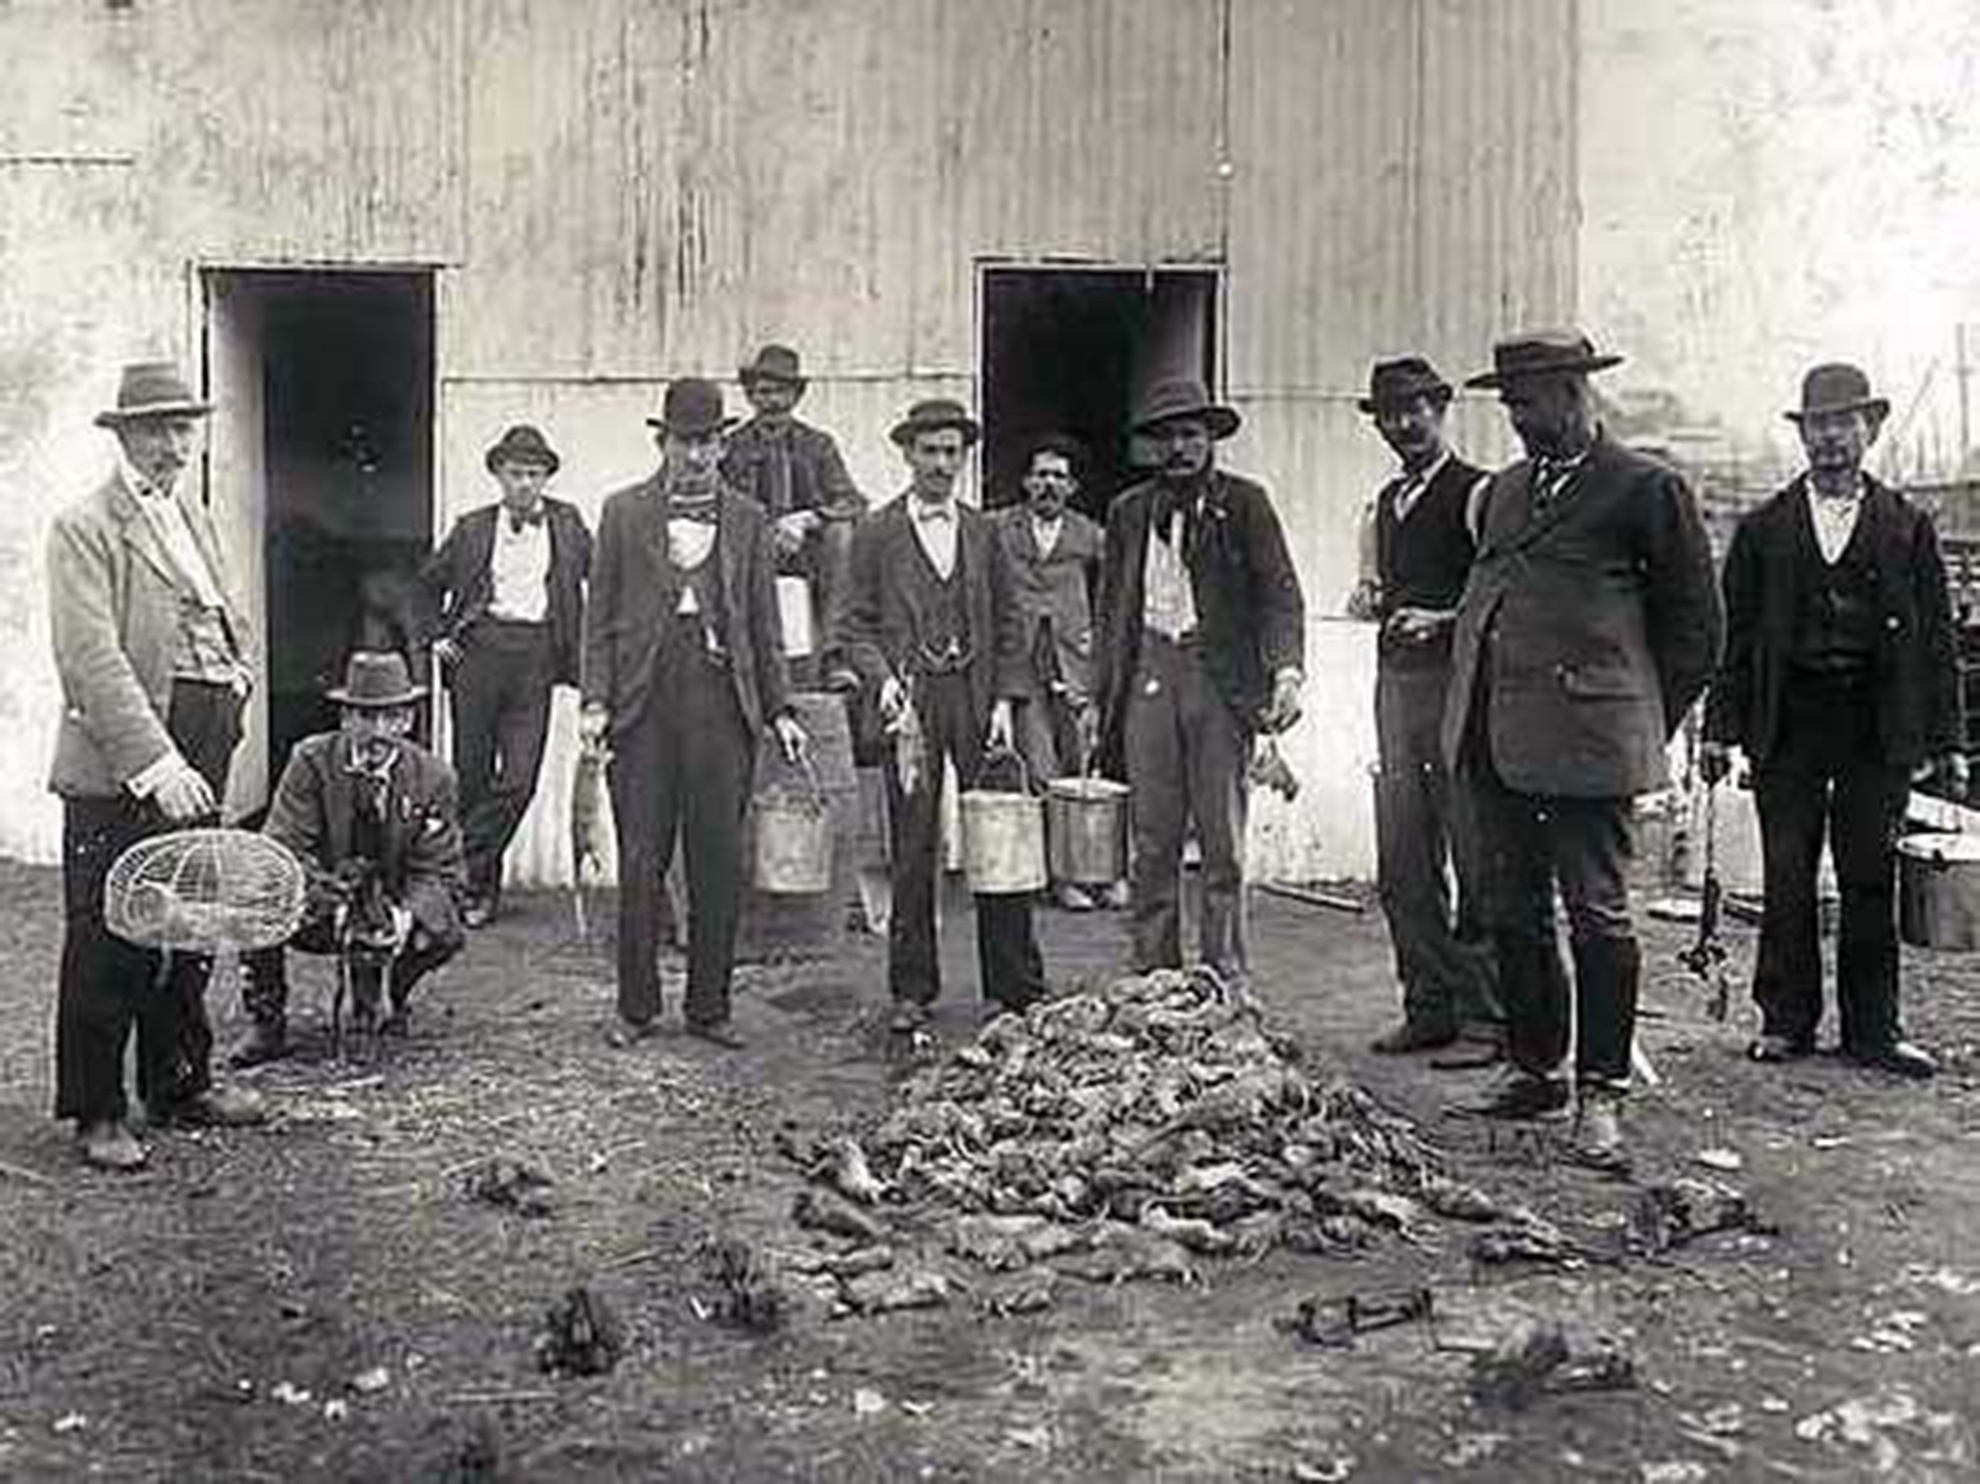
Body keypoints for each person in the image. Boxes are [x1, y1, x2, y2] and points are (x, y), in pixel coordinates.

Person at [1442, 330, 1723, 1168]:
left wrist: (1633, 724)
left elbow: (1696, 631)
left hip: (1591, 746)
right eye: (1510, 405)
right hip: (1499, 739)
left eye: (1528, 403)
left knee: (1598, 916)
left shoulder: (1647, 488)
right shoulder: (1504, 492)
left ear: (1575, 393)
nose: (1518, 420)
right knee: (1513, 911)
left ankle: (1603, 1094)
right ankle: (1537, 1069)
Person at [1701, 363, 1965, 1079]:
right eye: (1818, 424)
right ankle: (1786, 1021)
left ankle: (1874, 1030)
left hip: (1874, 728)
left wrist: (1948, 741)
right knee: (1787, 873)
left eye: (1844, 423)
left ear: (1869, 429)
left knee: (1869, 877)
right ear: (1803, 434)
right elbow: (1736, 639)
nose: (1830, 438)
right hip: (1788, 724)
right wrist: (1719, 729)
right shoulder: (1763, 528)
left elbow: (1937, 643)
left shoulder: (1908, 526)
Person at [47, 361, 267, 1170]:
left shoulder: (193, 514)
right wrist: (155, 760)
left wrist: (237, 682)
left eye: (182, 429)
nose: (172, 446)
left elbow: (222, 613)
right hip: (126, 760)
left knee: (189, 920)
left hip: (205, 736)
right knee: (110, 927)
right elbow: (90, 659)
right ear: (124, 436)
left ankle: (179, 1082)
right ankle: (99, 1110)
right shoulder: (84, 527)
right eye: (154, 431)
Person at [581, 378, 807, 1051]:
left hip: (721, 703)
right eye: (685, 442)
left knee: (716, 862)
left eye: (707, 442)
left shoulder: (749, 518)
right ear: (664, 442)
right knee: (641, 860)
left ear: (722, 445)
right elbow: (598, 619)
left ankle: (710, 1008)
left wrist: (780, 708)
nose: (697, 455)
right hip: (641, 705)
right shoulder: (622, 512)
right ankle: (636, 1009)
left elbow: (765, 625)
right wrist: (595, 700)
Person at [839, 397, 1047, 1029]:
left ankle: (1017, 986)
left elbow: (1011, 622)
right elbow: (853, 625)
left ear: (964, 457)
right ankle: (911, 989)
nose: (940, 464)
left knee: (998, 836)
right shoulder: (876, 532)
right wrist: (883, 683)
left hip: (978, 697)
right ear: (907, 454)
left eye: (951, 452)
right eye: (928, 451)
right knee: (913, 844)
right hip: (911, 704)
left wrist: (1006, 701)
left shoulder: (985, 532)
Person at [1094, 378, 1305, 979]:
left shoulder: (1245, 503)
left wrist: (1286, 672)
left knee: (1221, 839)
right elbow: (1111, 605)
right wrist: (1101, 689)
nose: (1179, 449)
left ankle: (1223, 973)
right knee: (1152, 838)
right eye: (1166, 437)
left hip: (1218, 677)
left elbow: (1279, 593)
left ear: (1211, 438)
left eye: (1190, 435)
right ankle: (1154, 974)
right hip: (1149, 673)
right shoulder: (1129, 511)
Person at [1346, 357, 1501, 1065]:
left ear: (1441, 410)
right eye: (1389, 413)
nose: (1403, 424)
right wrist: (1369, 599)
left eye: (1415, 409)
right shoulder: (1382, 505)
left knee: (1475, 856)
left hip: (1460, 694)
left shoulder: (1479, 494)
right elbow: (1375, 588)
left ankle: (1485, 1020)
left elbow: (1502, 594)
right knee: (1404, 858)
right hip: (1395, 693)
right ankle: (1428, 1007)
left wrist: (1443, 619)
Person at [231, 652, 468, 1063]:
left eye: (391, 718)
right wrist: (331, 903)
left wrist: (403, 917)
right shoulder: (311, 760)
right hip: (326, 895)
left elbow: (439, 868)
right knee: (258, 894)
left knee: (442, 927)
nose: (379, 732)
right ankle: (267, 1021)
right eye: (366, 717)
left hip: (392, 897)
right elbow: (284, 847)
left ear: (408, 721)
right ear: (345, 718)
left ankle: (392, 994)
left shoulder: (434, 777)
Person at [420, 425, 592, 926]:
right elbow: (425, 585)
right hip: (477, 655)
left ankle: (450, 867)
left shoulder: (567, 523)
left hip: (537, 657)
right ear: (498, 474)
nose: (525, 483)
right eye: (516, 473)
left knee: (519, 780)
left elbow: (603, 578)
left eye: (534, 474)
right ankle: (479, 893)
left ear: (546, 478)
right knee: (471, 777)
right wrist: (436, 634)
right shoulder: (472, 527)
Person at [991, 434, 1110, 910]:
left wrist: (1100, 636)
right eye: (1040, 475)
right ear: (1025, 482)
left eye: (1059, 476)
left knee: (1083, 763)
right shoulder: (997, 527)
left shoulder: (1090, 533)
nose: (1049, 484)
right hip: (1020, 664)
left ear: (1073, 486)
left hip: (1073, 661)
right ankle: (1059, 878)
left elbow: (1124, 581)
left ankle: (1097, 872)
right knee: (1040, 768)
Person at [721, 344, 866, 686]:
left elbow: (853, 501)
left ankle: (833, 656)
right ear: (750, 396)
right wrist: (763, 529)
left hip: (807, 554)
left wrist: (807, 519)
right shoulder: (732, 447)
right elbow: (720, 503)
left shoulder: (818, 445)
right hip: (751, 549)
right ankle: (732, 655)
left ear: (797, 396)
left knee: (842, 534)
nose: (772, 402)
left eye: (781, 392)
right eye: (763, 392)